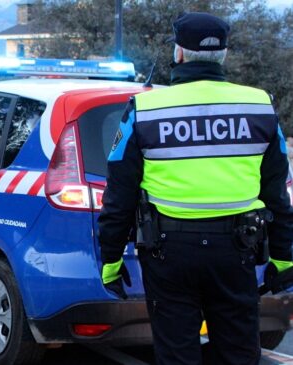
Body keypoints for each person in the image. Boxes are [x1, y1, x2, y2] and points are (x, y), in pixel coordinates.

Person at [98, 11, 293, 365]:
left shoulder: (145, 108)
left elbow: (119, 194)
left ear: (179, 53)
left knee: (177, 354)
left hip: (169, 253)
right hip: (237, 250)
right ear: (224, 55)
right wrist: (283, 259)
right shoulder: (259, 105)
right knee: (238, 353)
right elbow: (277, 193)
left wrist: (110, 260)